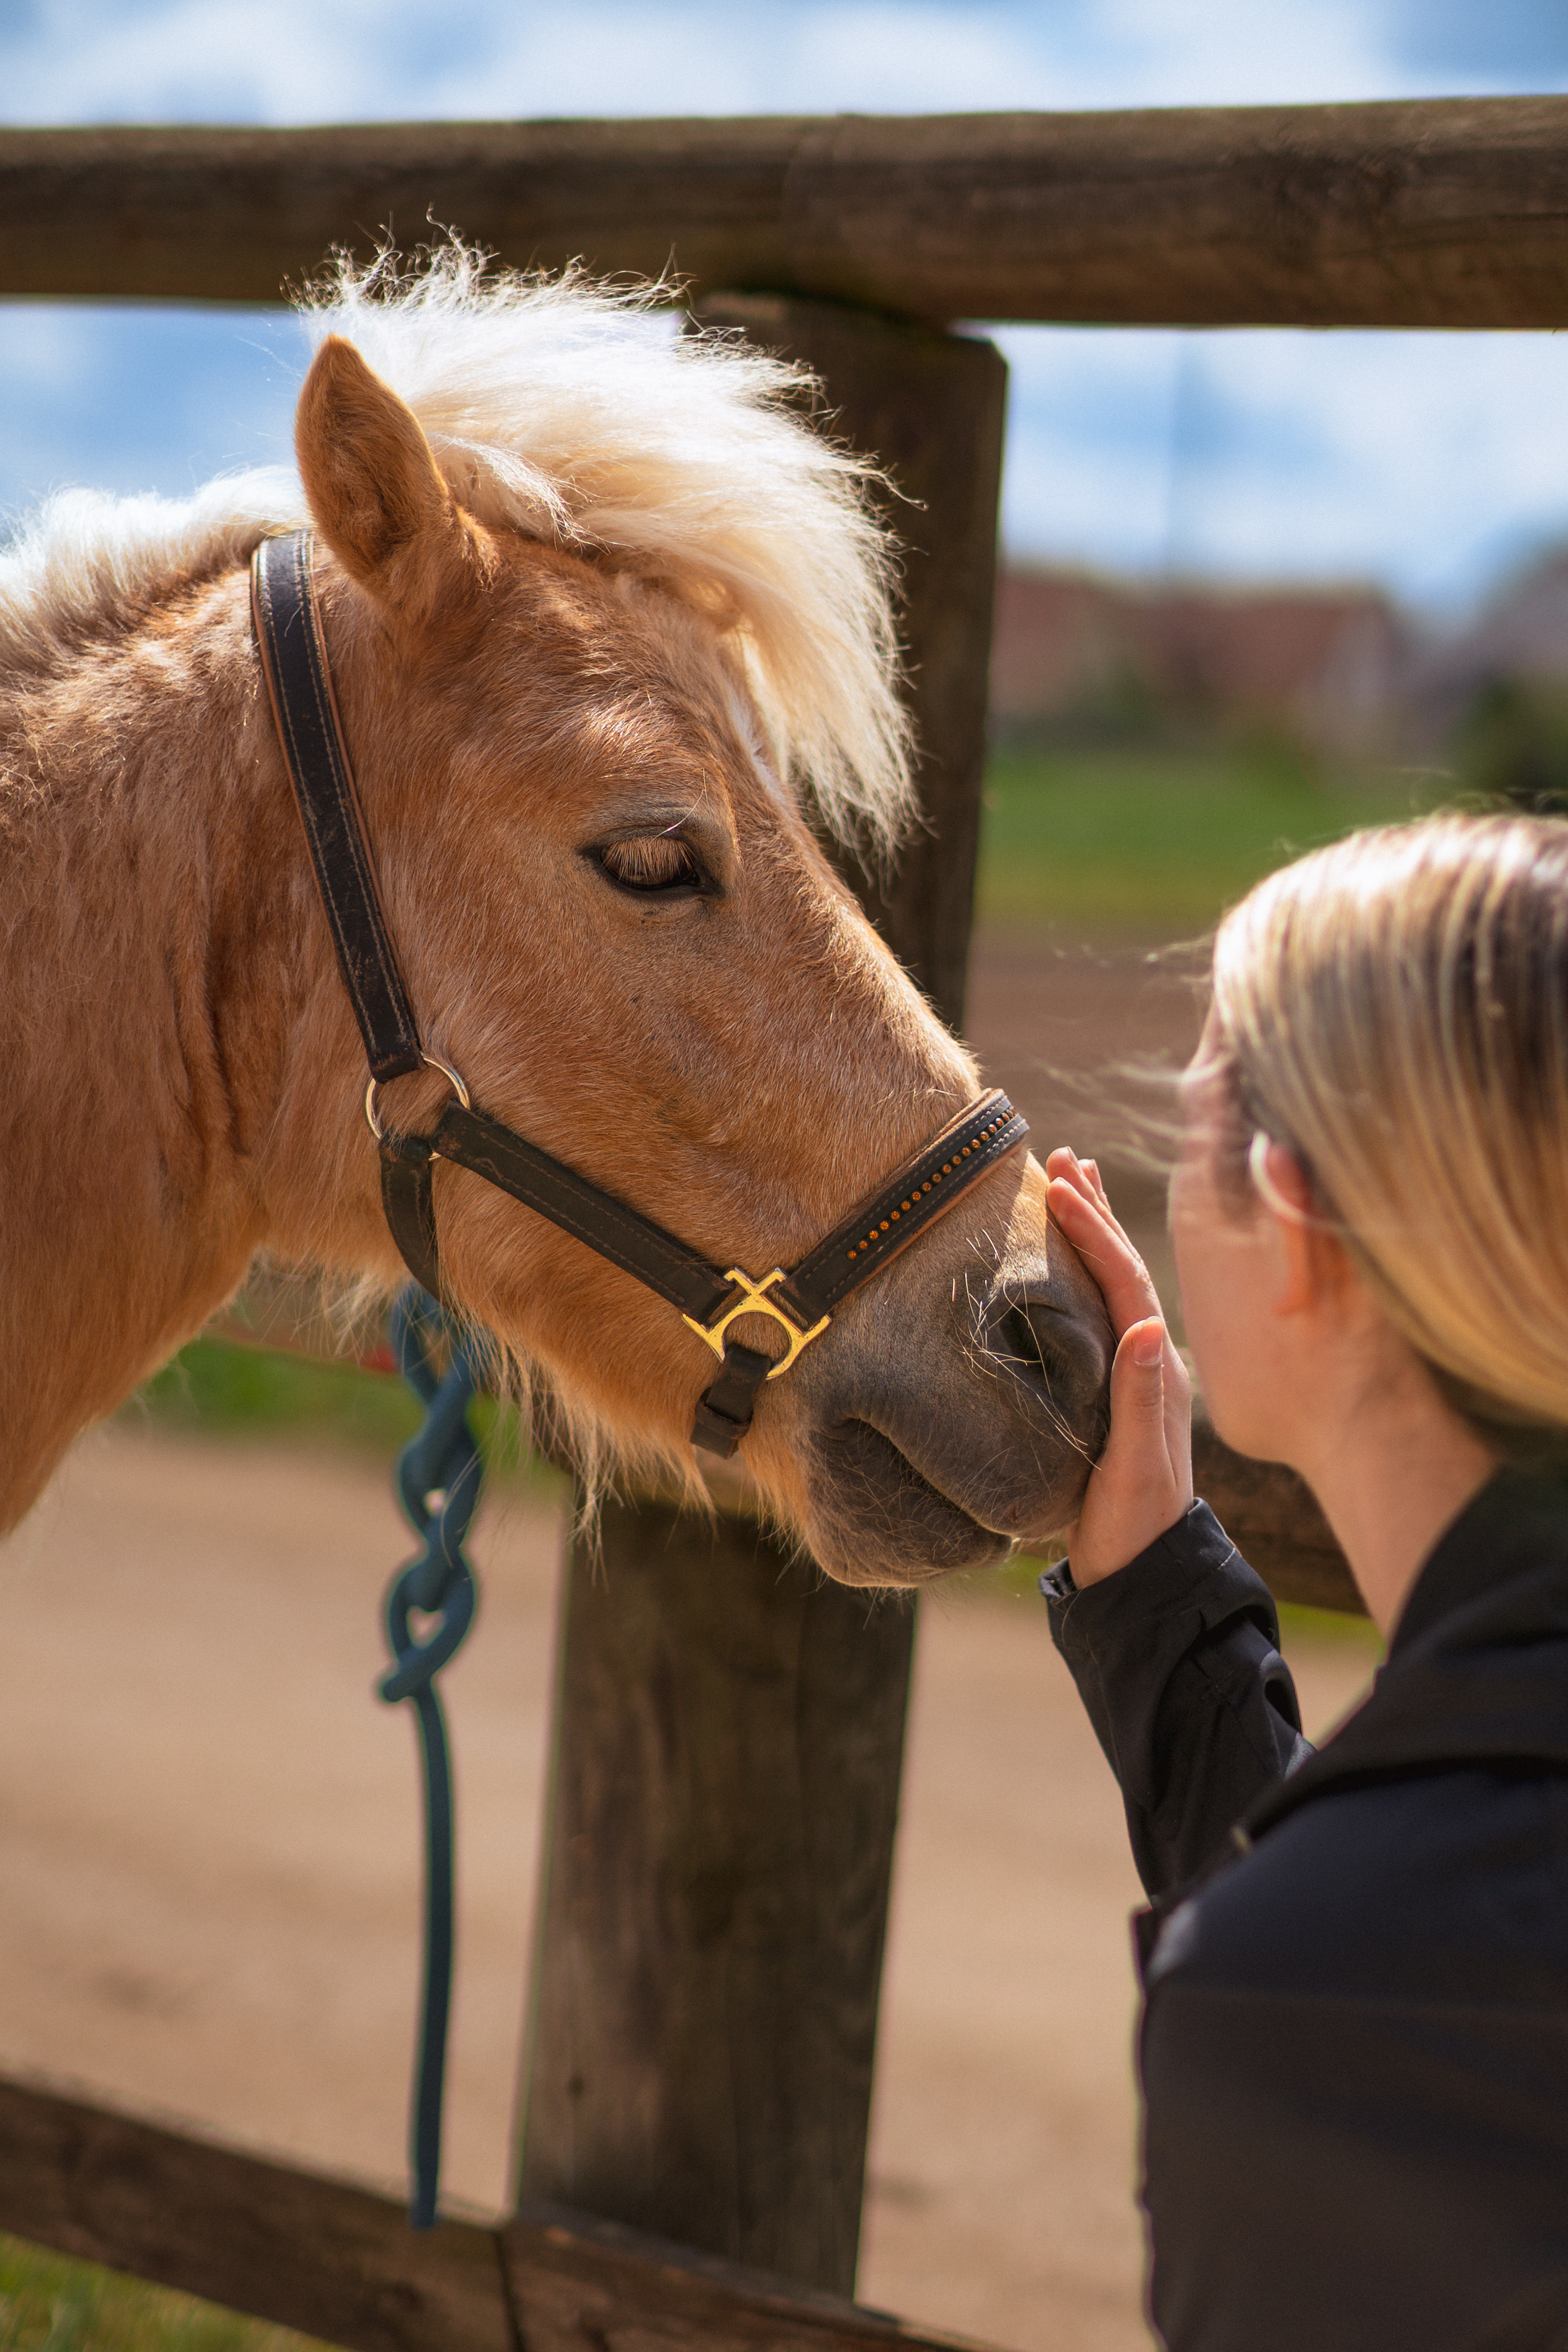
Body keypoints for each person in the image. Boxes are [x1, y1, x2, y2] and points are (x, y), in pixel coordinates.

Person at [1038, 812, 1568, 2351]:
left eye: (1190, 1123)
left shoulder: (1303, 2006)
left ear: (1300, 1227)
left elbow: (1399, 1997)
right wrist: (1159, 1613)